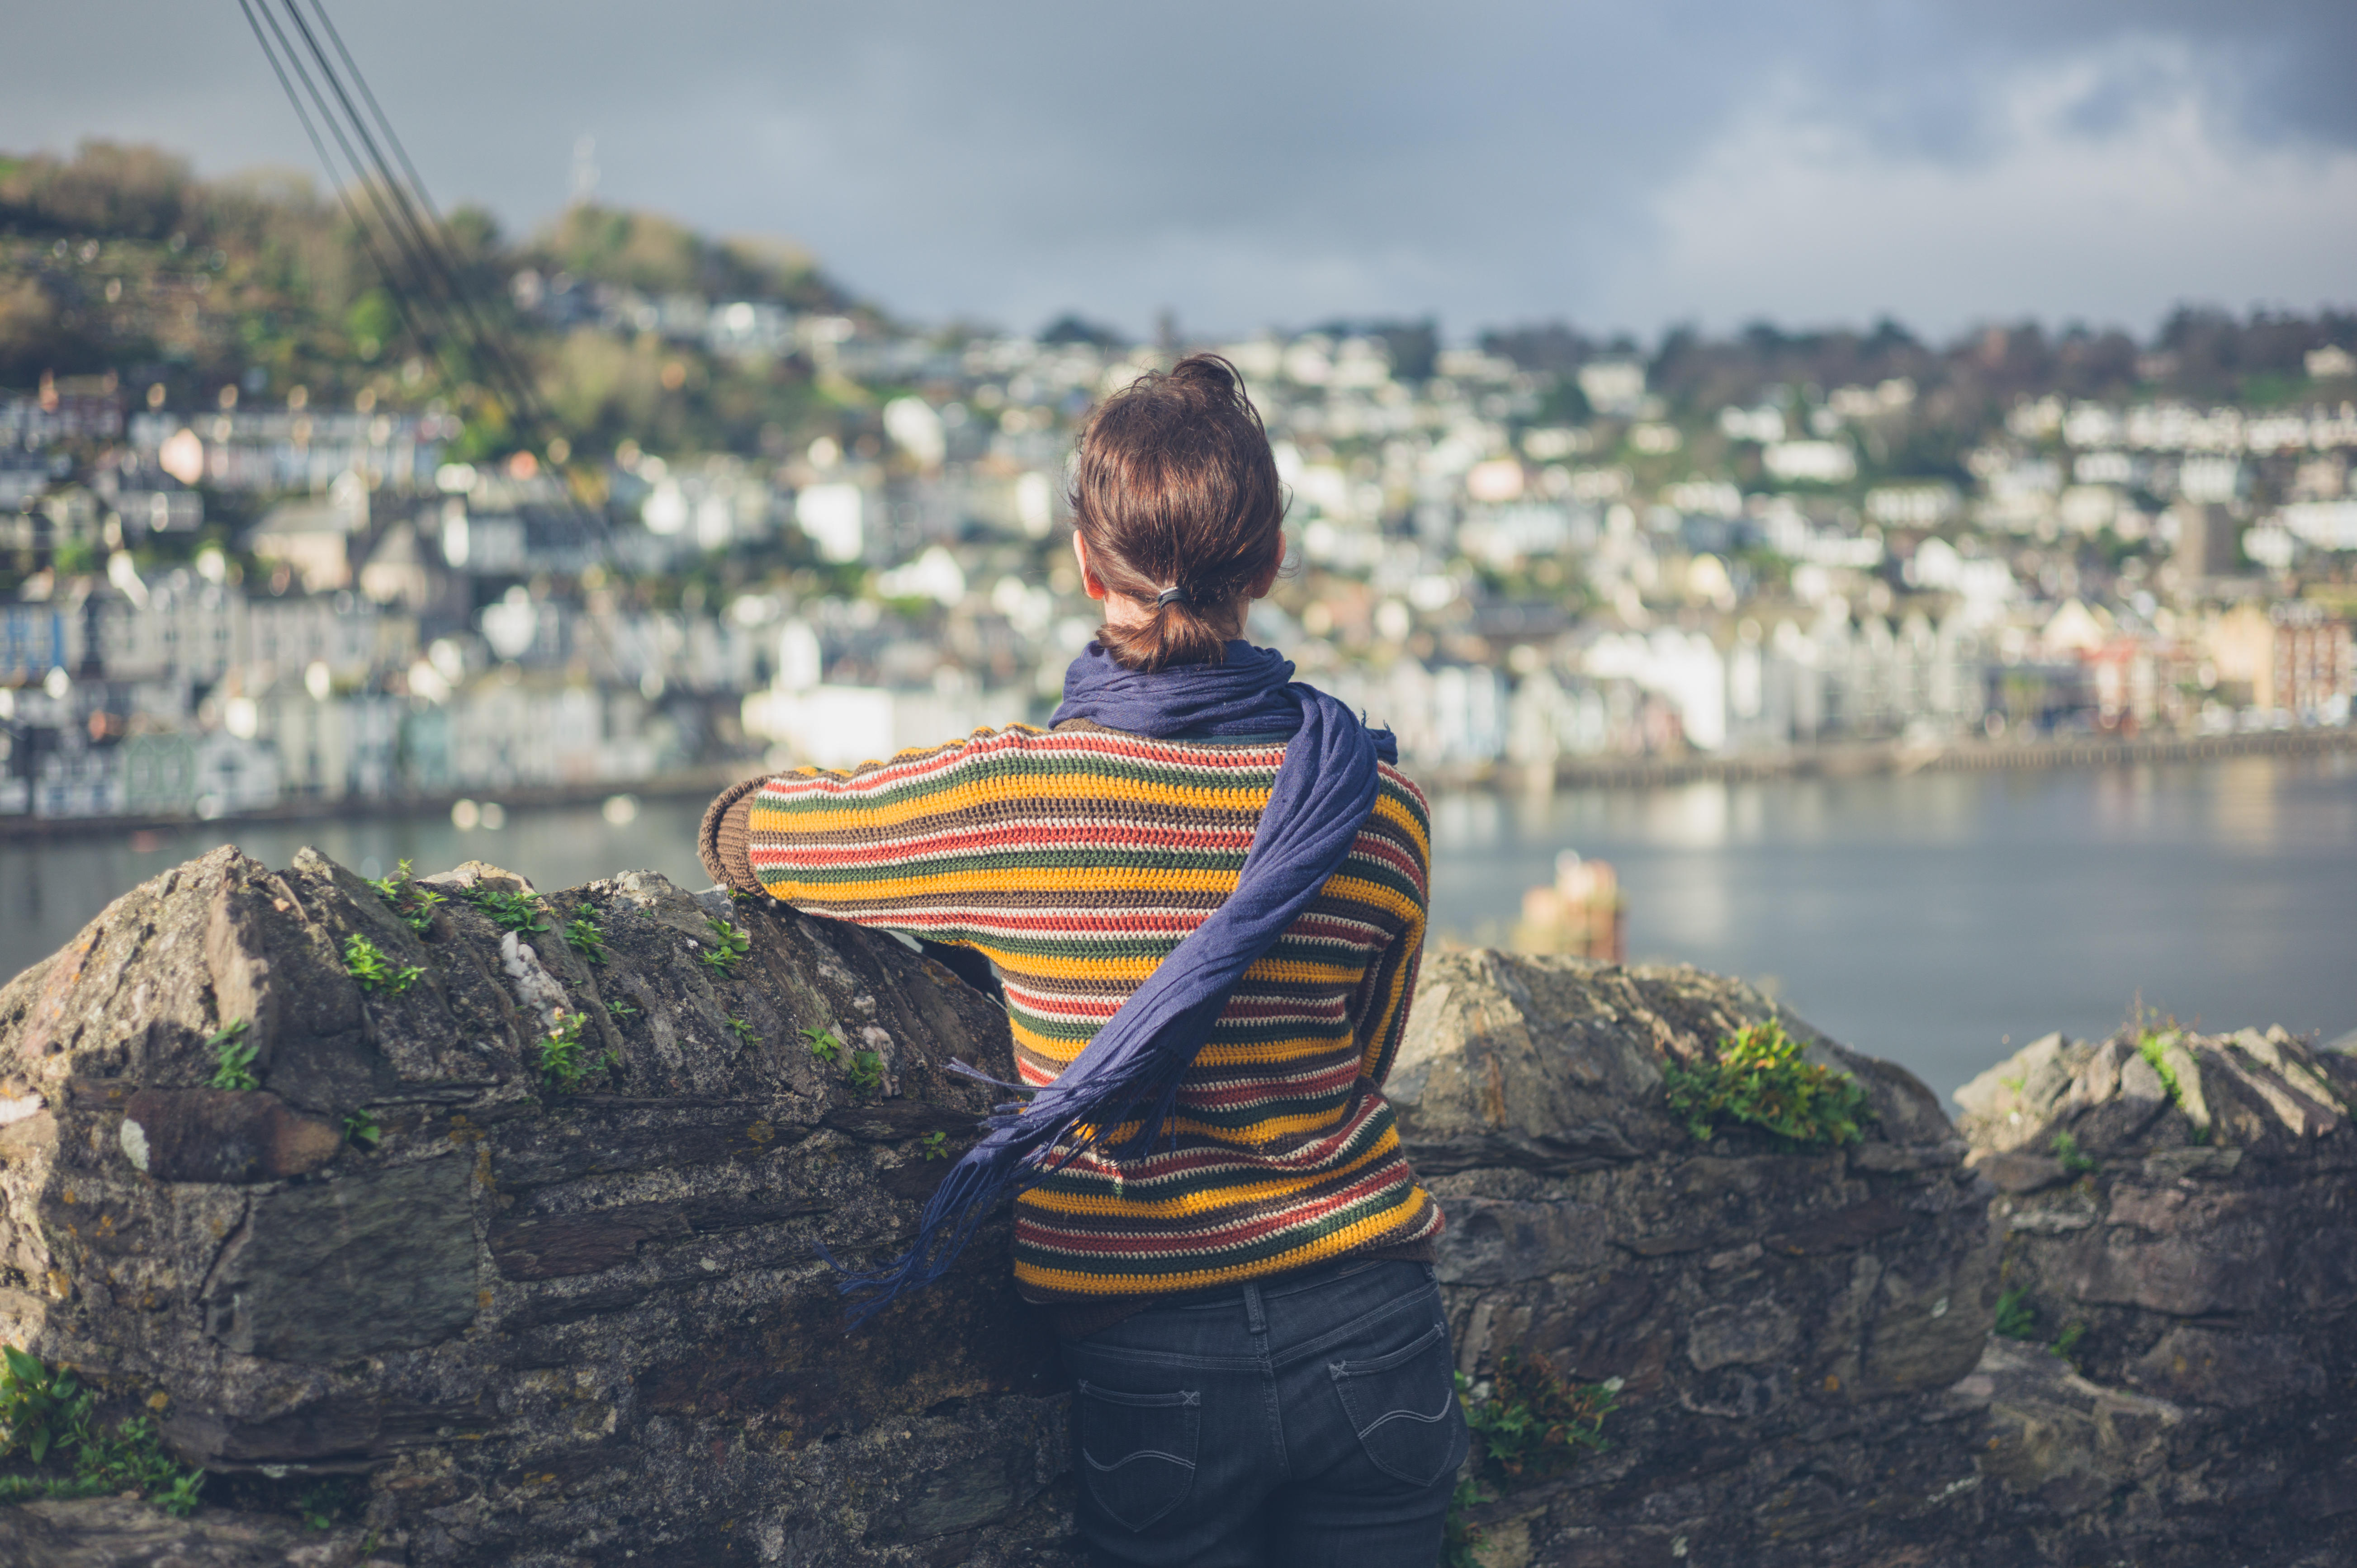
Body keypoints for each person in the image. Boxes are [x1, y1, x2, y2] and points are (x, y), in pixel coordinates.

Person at [698, 353, 1465, 1566]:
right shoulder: (1377, 806)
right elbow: (1364, 1054)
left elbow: (757, 838)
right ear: (1267, 563)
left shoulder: (1018, 801)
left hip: (1153, 1348)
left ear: (1085, 565)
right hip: (1373, 1319)